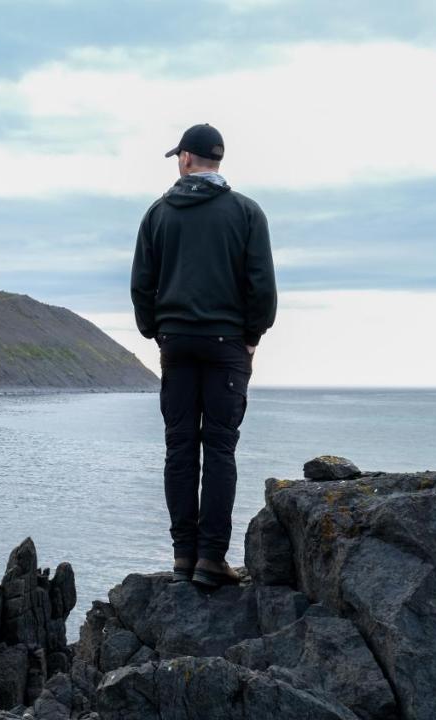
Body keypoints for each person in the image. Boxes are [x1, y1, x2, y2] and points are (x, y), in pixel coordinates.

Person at [130, 123, 277, 588]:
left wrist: (158, 332)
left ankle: (182, 556)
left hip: (176, 343)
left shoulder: (158, 215)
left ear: (188, 159)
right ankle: (211, 558)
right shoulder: (247, 213)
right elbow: (262, 288)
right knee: (218, 449)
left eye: (179, 156)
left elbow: (141, 286)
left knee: (179, 448)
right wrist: (251, 336)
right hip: (226, 345)